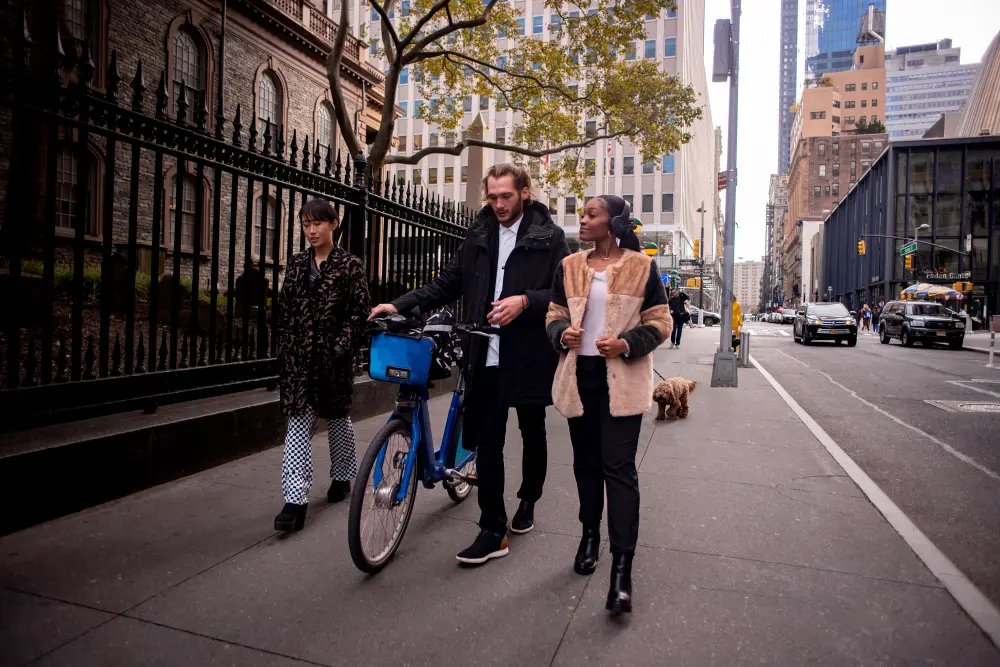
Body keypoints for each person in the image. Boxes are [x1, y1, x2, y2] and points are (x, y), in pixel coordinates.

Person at [369, 163, 570, 565]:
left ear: (524, 193)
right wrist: (401, 304)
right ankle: (493, 530)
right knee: (488, 443)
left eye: (506, 196)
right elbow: (449, 282)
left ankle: (528, 499)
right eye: (492, 196)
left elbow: (563, 292)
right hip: (485, 352)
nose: (498, 204)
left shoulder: (550, 237)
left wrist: (525, 301)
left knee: (532, 430)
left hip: (528, 353)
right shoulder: (479, 234)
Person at [546, 195, 671, 615]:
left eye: (591, 214)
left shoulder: (642, 267)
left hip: (623, 382)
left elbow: (661, 322)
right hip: (579, 379)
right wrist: (561, 333)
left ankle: (622, 567)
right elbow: (553, 314)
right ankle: (588, 536)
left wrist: (625, 344)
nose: (582, 220)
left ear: (614, 223)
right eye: (581, 214)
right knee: (586, 465)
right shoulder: (569, 266)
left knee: (618, 470)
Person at [273, 199, 372, 532]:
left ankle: (343, 475)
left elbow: (360, 313)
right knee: (298, 424)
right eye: (306, 225)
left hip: (333, 362)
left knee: (338, 419)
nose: (311, 231)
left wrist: (340, 348)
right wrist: (287, 350)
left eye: (317, 223)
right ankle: (294, 500)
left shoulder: (350, 265)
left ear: (333, 223)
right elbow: (285, 310)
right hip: (299, 361)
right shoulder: (297, 264)